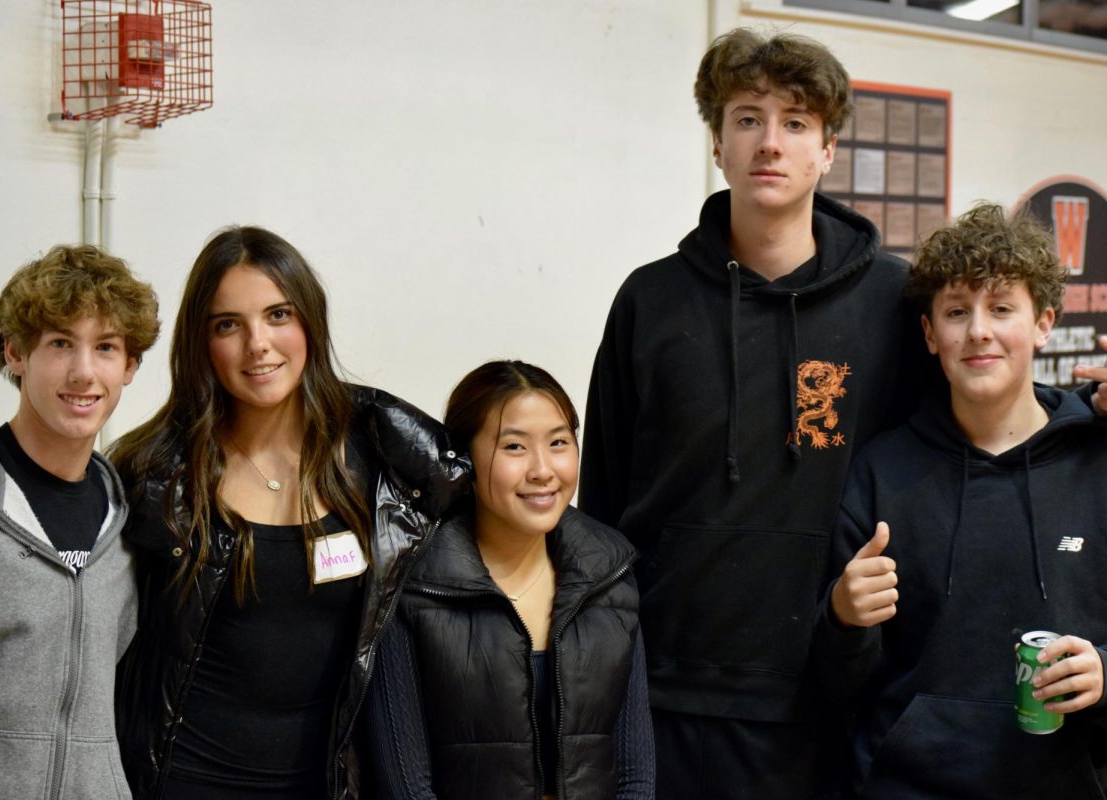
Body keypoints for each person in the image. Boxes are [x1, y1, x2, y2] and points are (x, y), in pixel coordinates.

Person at [580, 28, 930, 798]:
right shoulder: (649, 300)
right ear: (717, 142)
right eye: (747, 118)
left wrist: (1079, 408)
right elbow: (599, 502)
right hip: (667, 692)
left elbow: (965, 428)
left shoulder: (891, 304)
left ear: (827, 150)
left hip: (829, 687)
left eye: (795, 122)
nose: (770, 142)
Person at [110, 226, 468, 800]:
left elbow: (501, 527)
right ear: (201, 343)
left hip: (329, 784)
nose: (258, 343)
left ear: (309, 321)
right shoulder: (153, 475)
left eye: (278, 315)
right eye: (229, 324)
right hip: (182, 782)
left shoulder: (386, 453)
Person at [815, 202, 1107, 798]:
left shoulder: (1097, 461)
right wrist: (843, 619)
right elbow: (833, 685)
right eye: (955, 311)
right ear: (929, 333)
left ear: (1044, 322)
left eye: (1002, 308)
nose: (978, 330)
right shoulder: (882, 472)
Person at [0, 245, 159, 799]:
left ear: (130, 367)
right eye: (61, 343)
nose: (83, 372)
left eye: (107, 347)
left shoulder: (131, 526)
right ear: (16, 353)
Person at [365, 360, 655, 800]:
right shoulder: (411, 585)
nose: (543, 470)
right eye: (515, 448)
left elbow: (635, 775)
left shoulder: (610, 574)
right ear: (465, 460)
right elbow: (406, 786)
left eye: (559, 442)